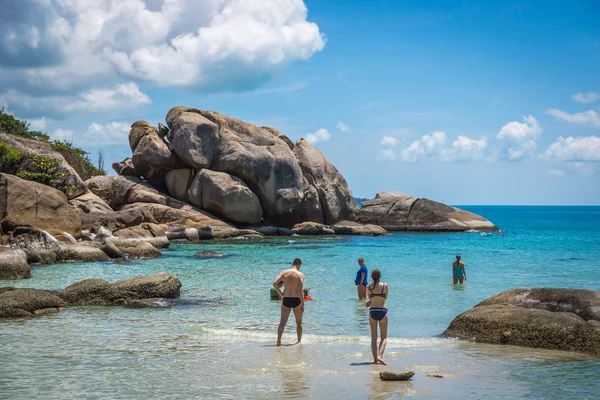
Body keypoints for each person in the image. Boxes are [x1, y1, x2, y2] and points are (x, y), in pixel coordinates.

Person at [273, 258, 305, 346]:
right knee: (298, 322)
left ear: (292, 264)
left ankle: (278, 341)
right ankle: (299, 342)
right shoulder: (300, 275)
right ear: (299, 265)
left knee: (282, 322)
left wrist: (281, 294)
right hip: (296, 300)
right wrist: (303, 303)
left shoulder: (284, 273)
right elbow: (300, 290)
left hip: (286, 299)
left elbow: (275, 284)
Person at [365, 269, 388, 365]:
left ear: (371, 276)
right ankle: (380, 356)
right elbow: (385, 298)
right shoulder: (385, 286)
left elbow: (370, 298)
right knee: (384, 337)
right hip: (382, 310)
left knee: (373, 337)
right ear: (380, 276)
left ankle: (375, 360)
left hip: (373, 311)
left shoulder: (368, 287)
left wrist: (370, 302)